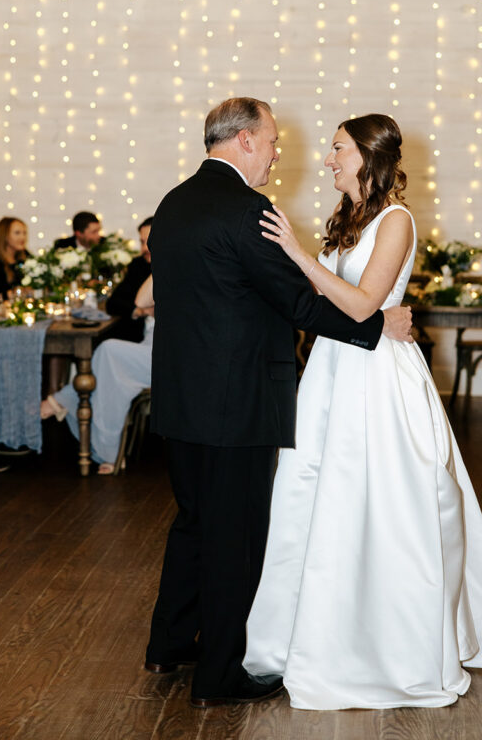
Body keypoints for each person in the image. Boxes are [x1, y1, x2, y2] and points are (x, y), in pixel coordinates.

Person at [243, 113, 482, 710]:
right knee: (313, 495)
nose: (328, 160)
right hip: (332, 369)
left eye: (338, 149)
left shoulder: (395, 221)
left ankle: (390, 648)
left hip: (376, 377)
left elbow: (361, 305)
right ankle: (307, 636)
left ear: (368, 156)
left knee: (382, 503)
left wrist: (298, 254)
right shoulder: (348, 219)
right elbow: (325, 299)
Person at [143, 97, 413, 710]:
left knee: (192, 521)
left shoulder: (174, 202)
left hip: (181, 398)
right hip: (237, 401)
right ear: (243, 140)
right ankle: (219, 677)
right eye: (270, 141)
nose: (276, 153)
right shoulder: (248, 210)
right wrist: (377, 328)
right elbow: (296, 302)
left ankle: (167, 644)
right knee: (234, 537)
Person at [47, 273, 155, 473]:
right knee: (109, 369)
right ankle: (108, 451)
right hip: (148, 345)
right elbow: (124, 302)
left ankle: (63, 398)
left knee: (108, 351)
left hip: (171, 353)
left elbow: (143, 301)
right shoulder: (147, 268)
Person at [105, 217, 153, 341]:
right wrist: (140, 311)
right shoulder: (138, 265)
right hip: (138, 334)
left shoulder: (174, 267)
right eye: (142, 242)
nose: (144, 248)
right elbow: (112, 303)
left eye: (149, 242)